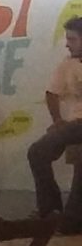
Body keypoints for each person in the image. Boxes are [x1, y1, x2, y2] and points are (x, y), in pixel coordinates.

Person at [26, 17, 82, 232]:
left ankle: (72, 220)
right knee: (37, 152)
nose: (67, 44)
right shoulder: (68, 65)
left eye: (72, 39)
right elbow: (51, 93)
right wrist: (57, 120)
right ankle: (50, 211)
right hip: (76, 124)